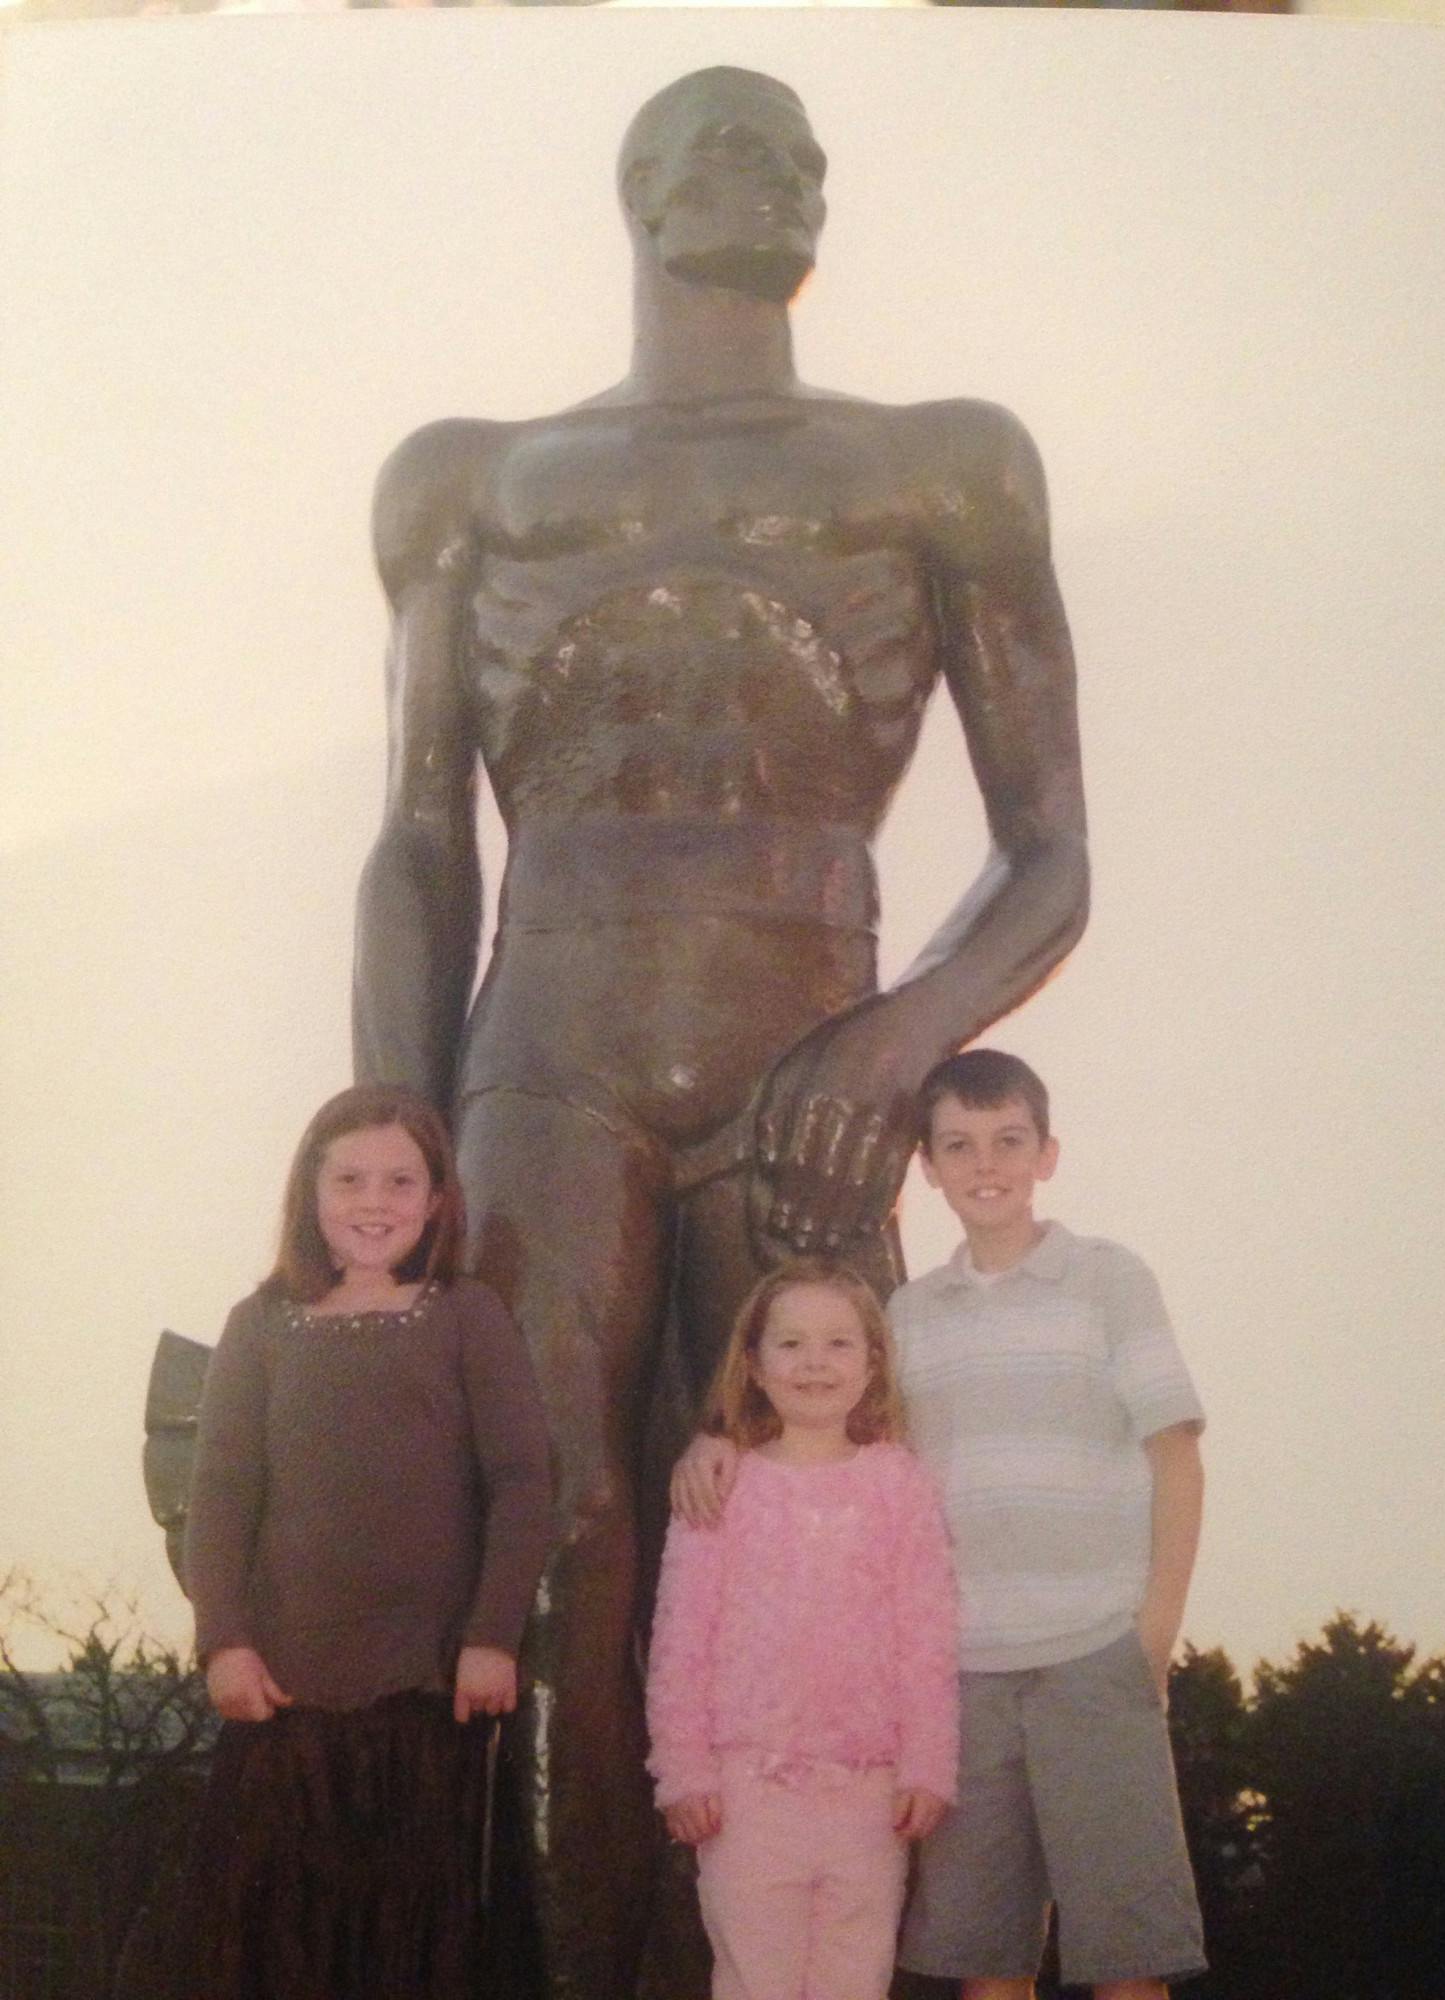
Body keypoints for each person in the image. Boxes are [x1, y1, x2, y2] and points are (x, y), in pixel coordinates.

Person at [352, 63, 1087, 1995]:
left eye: (803, 151)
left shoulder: (940, 462)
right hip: (551, 1055)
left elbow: (1049, 860)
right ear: (637, 192)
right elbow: (421, 843)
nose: (774, 173)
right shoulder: (476, 477)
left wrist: (905, 1035)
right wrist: (397, 1137)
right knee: (565, 1525)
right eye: (723, 144)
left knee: (799, 1515)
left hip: (808, 1068)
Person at [675, 1049, 1207, 1999]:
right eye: (957, 1145)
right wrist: (712, 1445)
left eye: (1009, 1141)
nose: (984, 1163)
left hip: (1093, 1653)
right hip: (962, 1676)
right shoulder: (909, 1318)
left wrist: (1154, 1630)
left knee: (1128, 1959)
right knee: (983, 1959)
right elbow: (827, 1430)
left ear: (1048, 1153)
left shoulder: (1109, 1281)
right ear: (925, 1166)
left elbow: (1176, 1453)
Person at [181, 1084, 552, 2000]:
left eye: (399, 1180)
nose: (373, 1202)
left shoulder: (468, 1318)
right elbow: (221, 1498)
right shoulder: (258, 1328)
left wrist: (493, 1636)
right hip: (284, 1704)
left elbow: (522, 1485)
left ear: (435, 1201)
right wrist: (223, 1639)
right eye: (349, 1179)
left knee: (415, 1958)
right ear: (311, 1192)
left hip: (429, 1701)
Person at [646, 1260, 958, 2000]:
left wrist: (928, 1765)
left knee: (856, 1978)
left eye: (838, 1344)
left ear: (873, 1362)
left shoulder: (899, 1485)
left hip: (869, 1794)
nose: (814, 1362)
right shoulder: (722, 1487)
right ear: (753, 1366)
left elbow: (927, 1633)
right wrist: (682, 1770)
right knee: (756, 1980)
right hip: (746, 1791)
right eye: (790, 1344)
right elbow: (680, 1639)